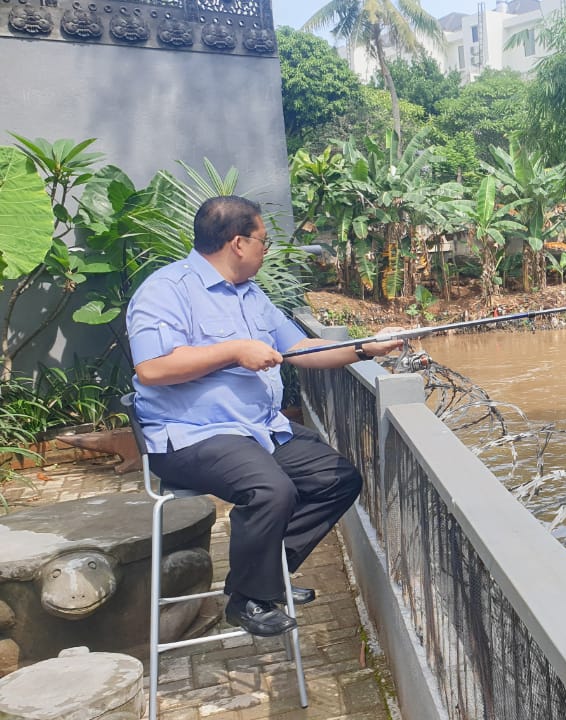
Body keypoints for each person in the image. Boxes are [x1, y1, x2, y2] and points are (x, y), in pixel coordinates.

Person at [126, 195, 403, 636]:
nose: (266, 249)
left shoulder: (252, 296)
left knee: (337, 479)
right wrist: (234, 350)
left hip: (256, 429)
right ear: (238, 243)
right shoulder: (166, 291)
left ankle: (261, 580)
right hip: (191, 434)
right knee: (272, 490)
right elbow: (154, 368)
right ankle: (251, 598)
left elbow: (300, 351)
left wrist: (367, 346)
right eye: (263, 240)